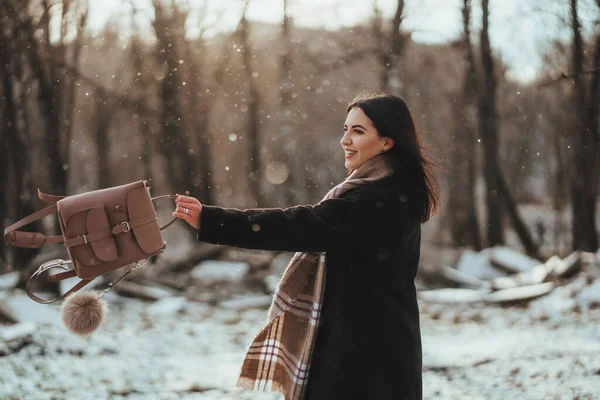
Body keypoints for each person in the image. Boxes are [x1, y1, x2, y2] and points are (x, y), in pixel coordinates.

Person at [172, 93, 439, 400]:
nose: (345, 140)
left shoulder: (377, 201)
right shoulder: (385, 191)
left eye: (358, 131)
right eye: (345, 129)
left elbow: (298, 225)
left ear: (387, 142)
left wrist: (214, 220)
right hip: (371, 352)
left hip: (366, 363)